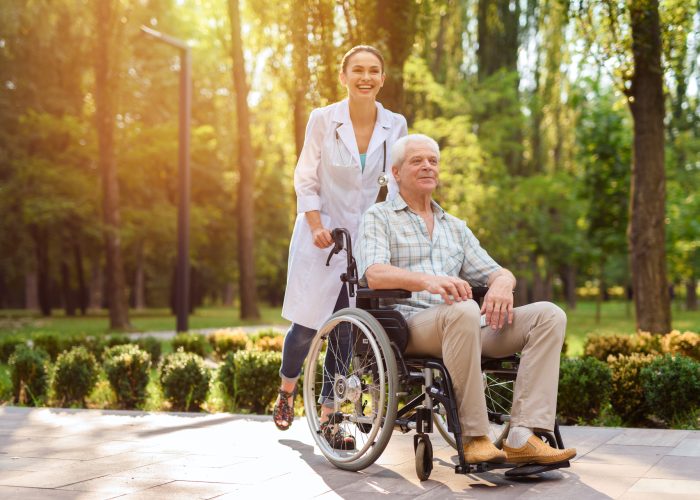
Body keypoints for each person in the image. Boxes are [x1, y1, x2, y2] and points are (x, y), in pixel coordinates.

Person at [355, 134, 577, 465]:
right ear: (397, 172)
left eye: (433, 160)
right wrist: (428, 281)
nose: (427, 166)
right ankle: (474, 437)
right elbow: (374, 273)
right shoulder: (379, 216)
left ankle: (522, 436)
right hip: (410, 325)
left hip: (468, 323)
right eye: (417, 161)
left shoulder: (455, 227)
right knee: (462, 309)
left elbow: (494, 271)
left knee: (549, 315)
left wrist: (503, 283)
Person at [275, 45, 408, 449]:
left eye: (373, 71)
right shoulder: (323, 119)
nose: (365, 78)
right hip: (323, 235)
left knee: (347, 330)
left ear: (382, 78)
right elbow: (306, 176)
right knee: (305, 326)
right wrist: (315, 224)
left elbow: (396, 182)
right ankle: (286, 390)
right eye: (358, 71)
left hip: (366, 238)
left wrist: (391, 229)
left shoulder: (395, 124)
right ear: (344, 76)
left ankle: (329, 418)